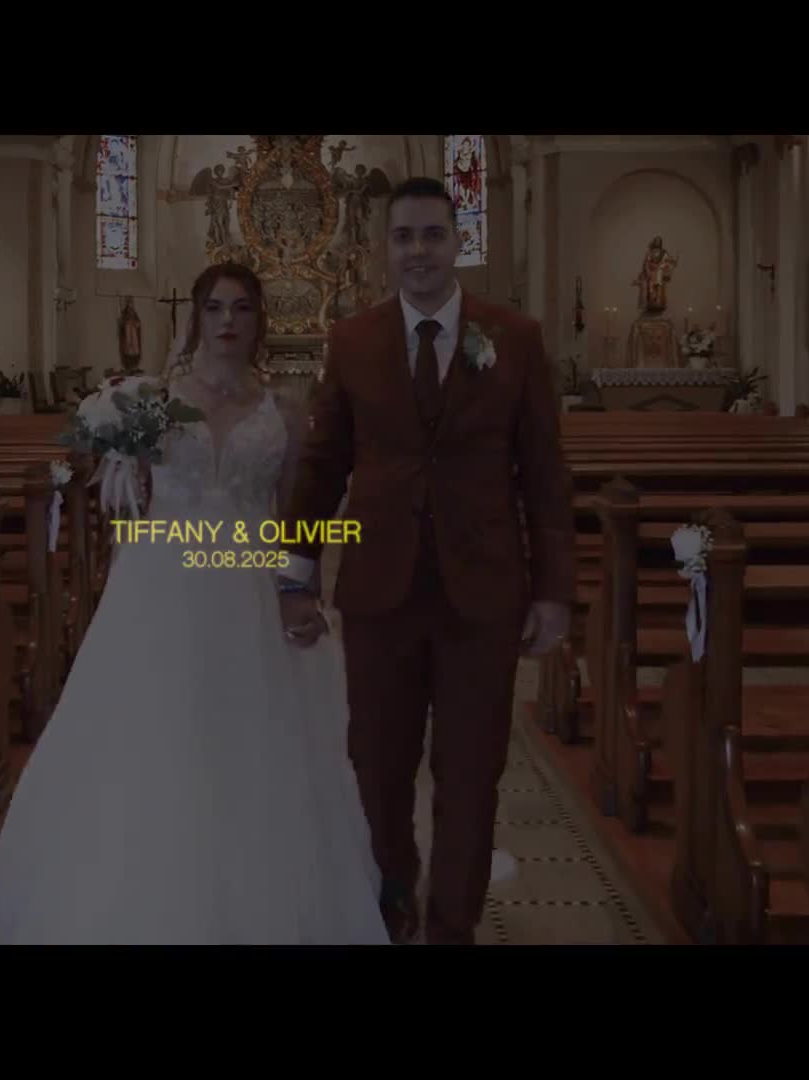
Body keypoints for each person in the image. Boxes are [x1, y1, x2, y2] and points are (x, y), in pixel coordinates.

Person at [0, 262, 389, 945]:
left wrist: (299, 593)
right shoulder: (151, 401)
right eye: (215, 307)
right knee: (158, 730)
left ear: (259, 320)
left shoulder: (283, 408)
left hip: (248, 584)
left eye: (242, 308)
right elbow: (128, 503)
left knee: (249, 734)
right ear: (196, 317)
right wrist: (120, 471)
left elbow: (296, 516)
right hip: (163, 581)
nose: (228, 321)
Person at [277, 176, 577, 945]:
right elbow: (322, 467)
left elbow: (545, 473)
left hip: (485, 592)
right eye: (404, 236)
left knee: (470, 774)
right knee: (377, 768)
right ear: (385, 248)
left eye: (432, 234)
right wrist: (294, 576)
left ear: (457, 241)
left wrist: (554, 593)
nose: (418, 251)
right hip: (380, 591)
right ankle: (390, 903)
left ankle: (453, 925)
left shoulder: (515, 337)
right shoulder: (353, 340)